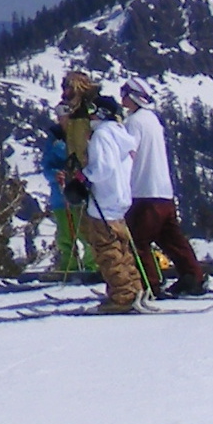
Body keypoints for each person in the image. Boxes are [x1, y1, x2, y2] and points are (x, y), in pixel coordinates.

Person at [119, 80, 209, 297]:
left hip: (143, 192)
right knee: (172, 239)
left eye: (124, 93)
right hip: (164, 192)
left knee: (137, 241)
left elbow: (129, 154)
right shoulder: (154, 121)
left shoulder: (134, 123)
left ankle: (149, 284)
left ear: (132, 97)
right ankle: (193, 277)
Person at [70, 90, 146, 314]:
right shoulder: (120, 134)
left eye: (92, 111)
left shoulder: (102, 135)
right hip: (120, 200)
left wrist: (85, 175)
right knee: (123, 249)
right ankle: (134, 288)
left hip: (103, 201)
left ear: (101, 114)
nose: (90, 116)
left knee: (107, 251)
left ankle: (122, 296)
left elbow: (103, 168)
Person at [40, 123, 91, 279]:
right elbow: (46, 166)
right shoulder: (54, 136)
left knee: (87, 233)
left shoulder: (83, 131)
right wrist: (55, 174)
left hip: (81, 193)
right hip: (60, 195)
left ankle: (92, 265)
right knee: (65, 235)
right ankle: (69, 265)